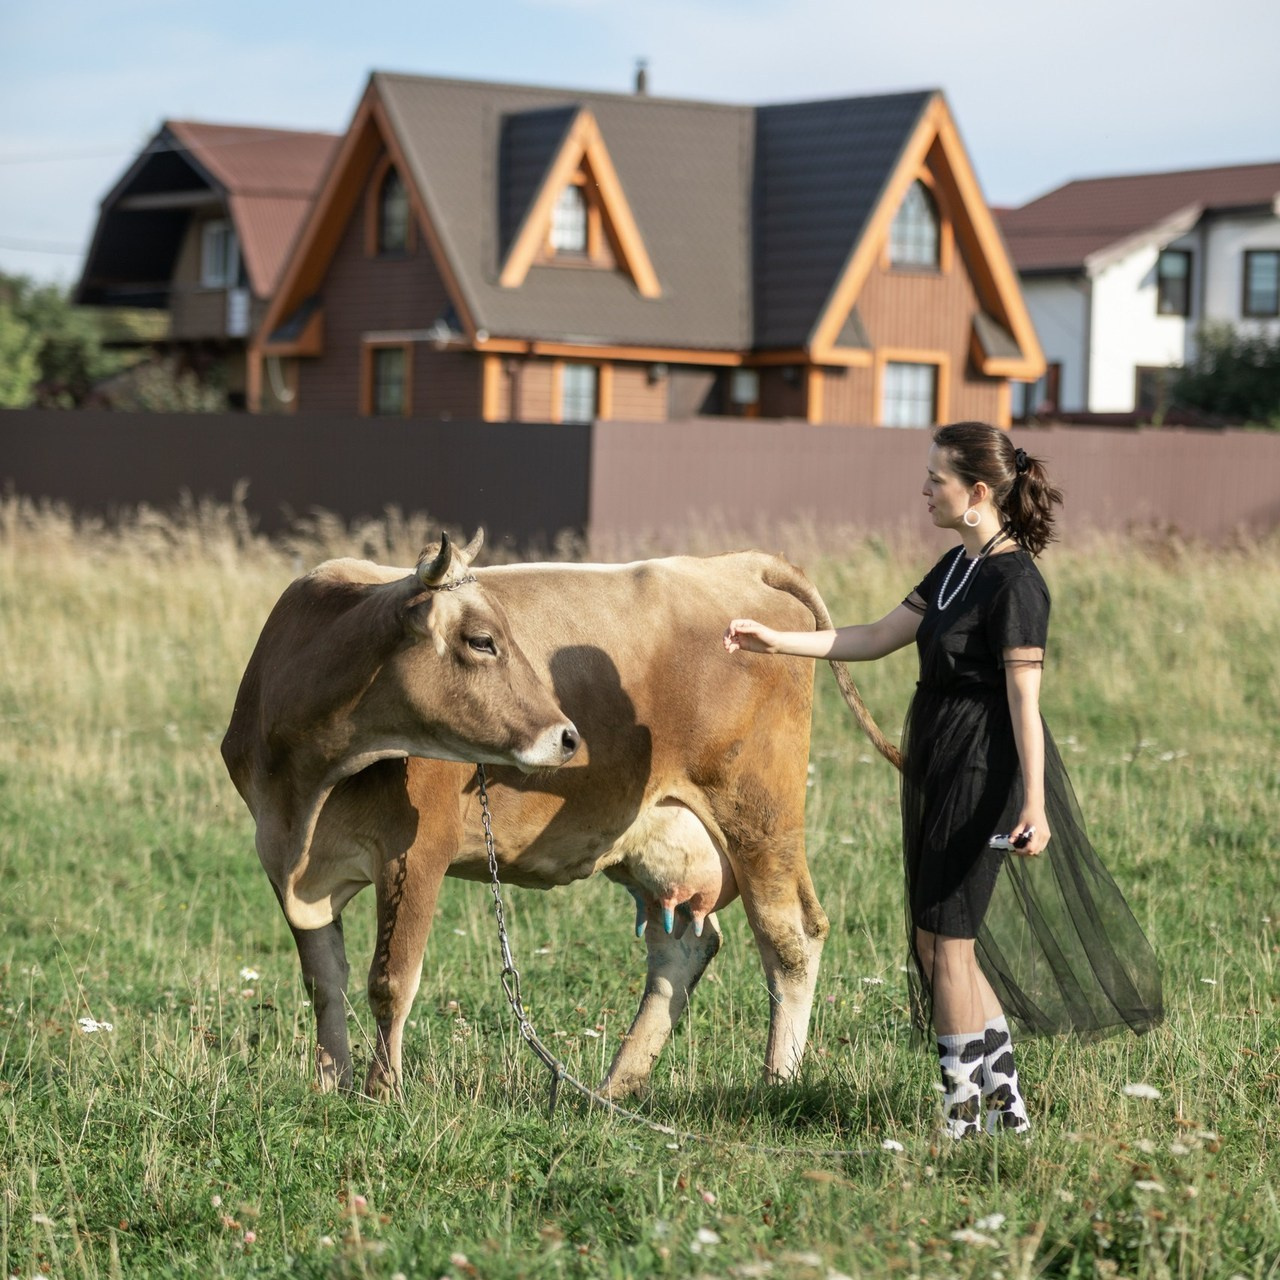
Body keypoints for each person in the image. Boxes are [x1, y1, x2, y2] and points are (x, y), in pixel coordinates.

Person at [723, 422, 1162, 1138]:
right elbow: (871, 637)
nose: (924, 489)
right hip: (939, 755)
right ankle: (1004, 1111)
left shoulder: (1017, 583)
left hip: (983, 764)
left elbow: (1026, 701)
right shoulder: (955, 566)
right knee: (938, 943)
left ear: (977, 492)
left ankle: (964, 1120)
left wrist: (1033, 801)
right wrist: (777, 641)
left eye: (937, 479)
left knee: (947, 946)